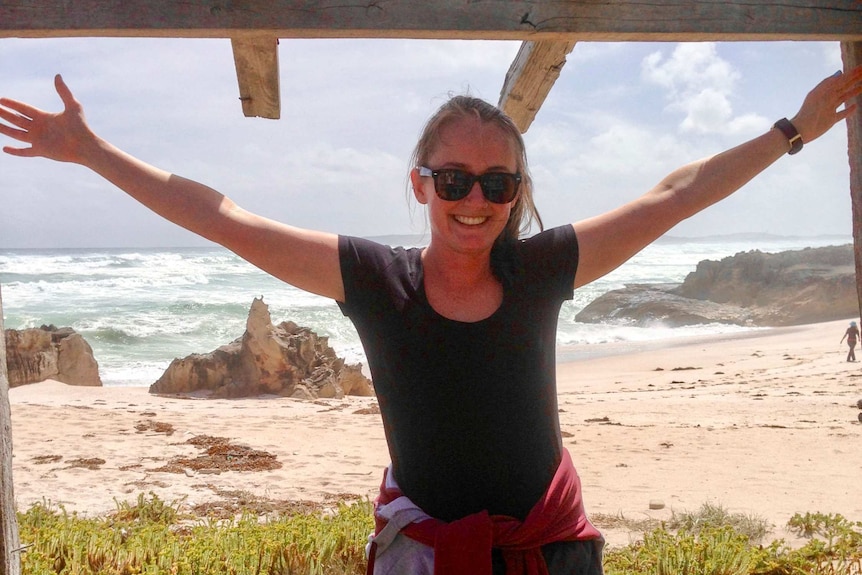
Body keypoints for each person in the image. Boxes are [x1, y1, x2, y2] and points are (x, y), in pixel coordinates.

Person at [2, 65, 861, 575]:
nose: (475, 200)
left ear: (517, 195)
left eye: (497, 183)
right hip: (426, 553)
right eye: (453, 179)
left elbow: (676, 195)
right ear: (421, 184)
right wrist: (91, 150)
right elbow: (224, 216)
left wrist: (793, 129)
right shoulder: (375, 279)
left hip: (552, 549)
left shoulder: (541, 267)